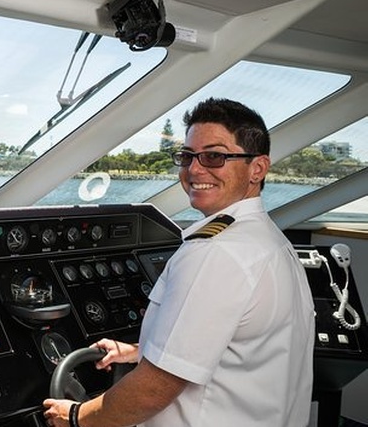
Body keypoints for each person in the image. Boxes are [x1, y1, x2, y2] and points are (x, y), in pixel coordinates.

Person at [43, 98, 315, 426]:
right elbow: (230, 346)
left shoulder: (216, 252)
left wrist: (75, 415)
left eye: (214, 156)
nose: (195, 169)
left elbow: (152, 391)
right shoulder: (269, 241)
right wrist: (138, 351)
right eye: (187, 156)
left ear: (257, 168)